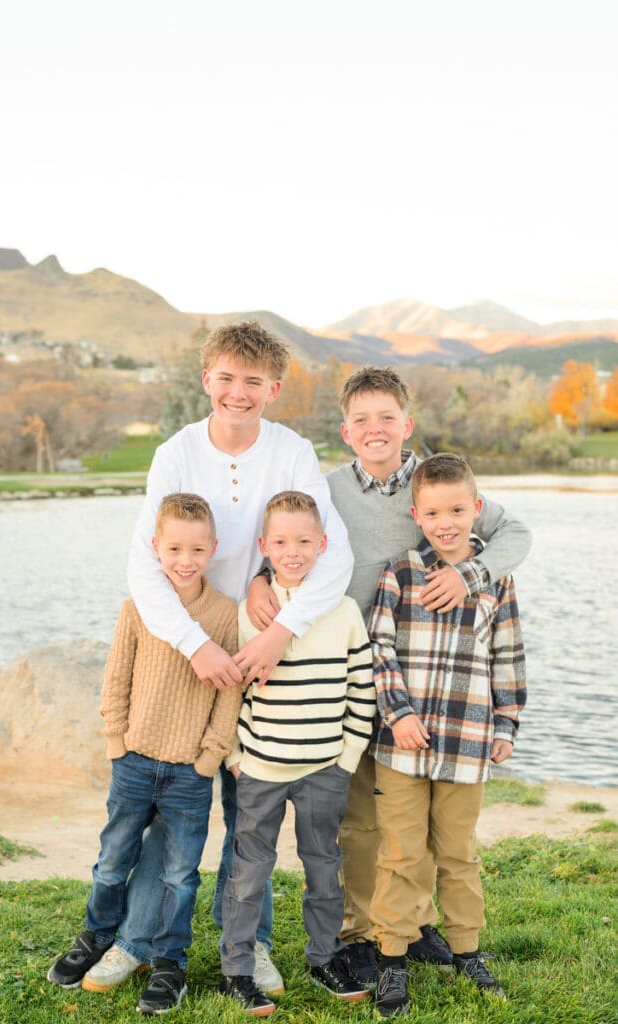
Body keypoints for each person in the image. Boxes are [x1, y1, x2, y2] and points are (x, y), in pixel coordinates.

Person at [81, 321, 354, 997]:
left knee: (248, 806)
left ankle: (251, 946)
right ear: (207, 380)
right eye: (226, 378)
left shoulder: (290, 451)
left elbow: (333, 551)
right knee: (163, 803)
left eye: (253, 382)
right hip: (187, 642)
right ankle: (135, 943)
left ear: (273, 389)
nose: (239, 393)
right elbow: (144, 567)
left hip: (260, 643)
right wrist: (197, 643)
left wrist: (279, 625)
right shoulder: (175, 453)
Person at [246, 364, 532, 987]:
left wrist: (469, 575)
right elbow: (287, 537)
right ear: (346, 431)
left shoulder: (437, 485)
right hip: (351, 663)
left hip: (423, 675)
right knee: (363, 817)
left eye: (387, 418)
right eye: (362, 420)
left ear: (407, 424)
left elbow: (514, 532)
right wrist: (259, 579)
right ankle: (359, 933)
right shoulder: (327, 490)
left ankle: (418, 923)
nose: (376, 430)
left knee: (420, 812)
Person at [47, 493, 243, 1016]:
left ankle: (169, 963)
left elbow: (230, 693)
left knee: (180, 874)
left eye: (196, 549)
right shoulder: (138, 608)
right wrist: (117, 741)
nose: (185, 559)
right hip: (134, 762)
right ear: (155, 548)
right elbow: (117, 679)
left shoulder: (225, 615)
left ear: (213, 549)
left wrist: (209, 757)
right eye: (174, 548)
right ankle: (96, 935)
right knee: (113, 861)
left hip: (189, 773)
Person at [368, 452, 527, 1016]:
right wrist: (398, 713)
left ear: (476, 509)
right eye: (434, 512)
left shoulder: (494, 580)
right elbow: (379, 649)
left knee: (458, 853)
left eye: (458, 509)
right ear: (417, 514)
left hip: (466, 739)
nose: (446, 522)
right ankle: (391, 958)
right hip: (402, 742)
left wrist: (506, 721)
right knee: (400, 853)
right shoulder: (400, 573)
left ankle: (466, 950)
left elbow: (507, 654)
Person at [219, 492, 376, 1016]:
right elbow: (233, 691)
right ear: (263, 546)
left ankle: (324, 957)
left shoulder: (345, 610)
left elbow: (361, 687)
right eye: (281, 542)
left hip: (323, 768)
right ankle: (237, 969)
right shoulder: (251, 612)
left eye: (304, 541)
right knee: (248, 874)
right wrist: (236, 755)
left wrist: (347, 758)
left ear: (323, 545)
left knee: (323, 868)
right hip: (260, 767)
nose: (293, 551)